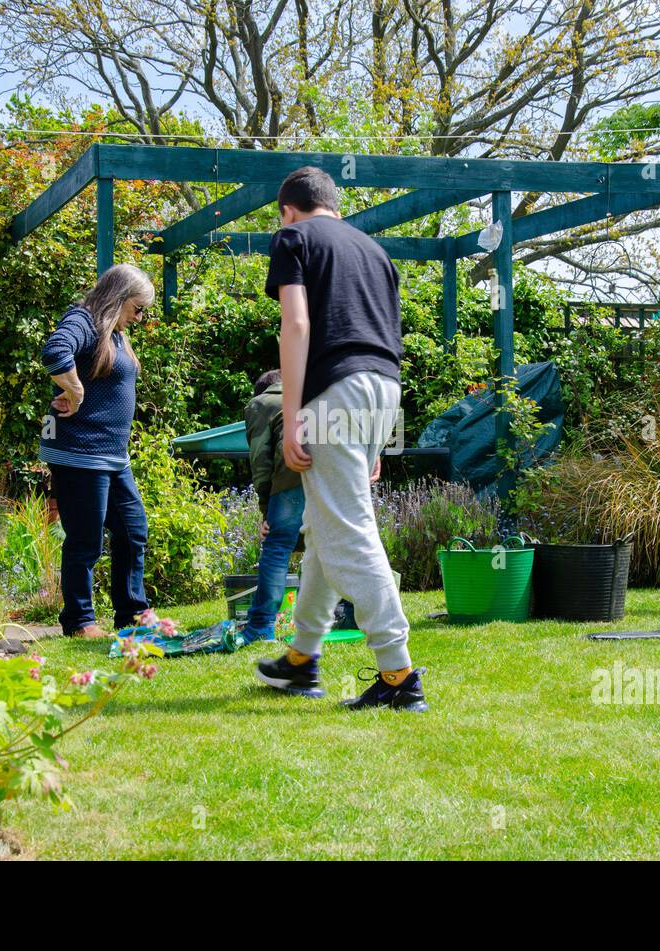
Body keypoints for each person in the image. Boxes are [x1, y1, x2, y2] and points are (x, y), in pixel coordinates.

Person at [253, 166, 427, 711]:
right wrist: (375, 441)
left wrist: (295, 412)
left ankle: (398, 674)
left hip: (335, 394)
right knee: (322, 524)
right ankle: (302, 659)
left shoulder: (292, 238)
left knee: (348, 530)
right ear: (333, 204)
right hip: (384, 392)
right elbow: (383, 339)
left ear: (288, 209)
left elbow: (297, 326)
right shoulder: (375, 252)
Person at [39, 263, 154, 638]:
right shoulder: (84, 320)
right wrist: (75, 390)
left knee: (132, 528)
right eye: (137, 308)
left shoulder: (114, 334)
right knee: (86, 540)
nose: (139, 317)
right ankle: (79, 621)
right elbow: (55, 350)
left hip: (112, 456)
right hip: (80, 452)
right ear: (118, 298)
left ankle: (132, 614)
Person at [237, 368, 304, 645]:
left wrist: (267, 513)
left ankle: (261, 625)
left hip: (291, 474)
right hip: (332, 472)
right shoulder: (312, 397)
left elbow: (261, 462)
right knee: (333, 545)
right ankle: (350, 612)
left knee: (276, 548)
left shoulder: (260, 405)